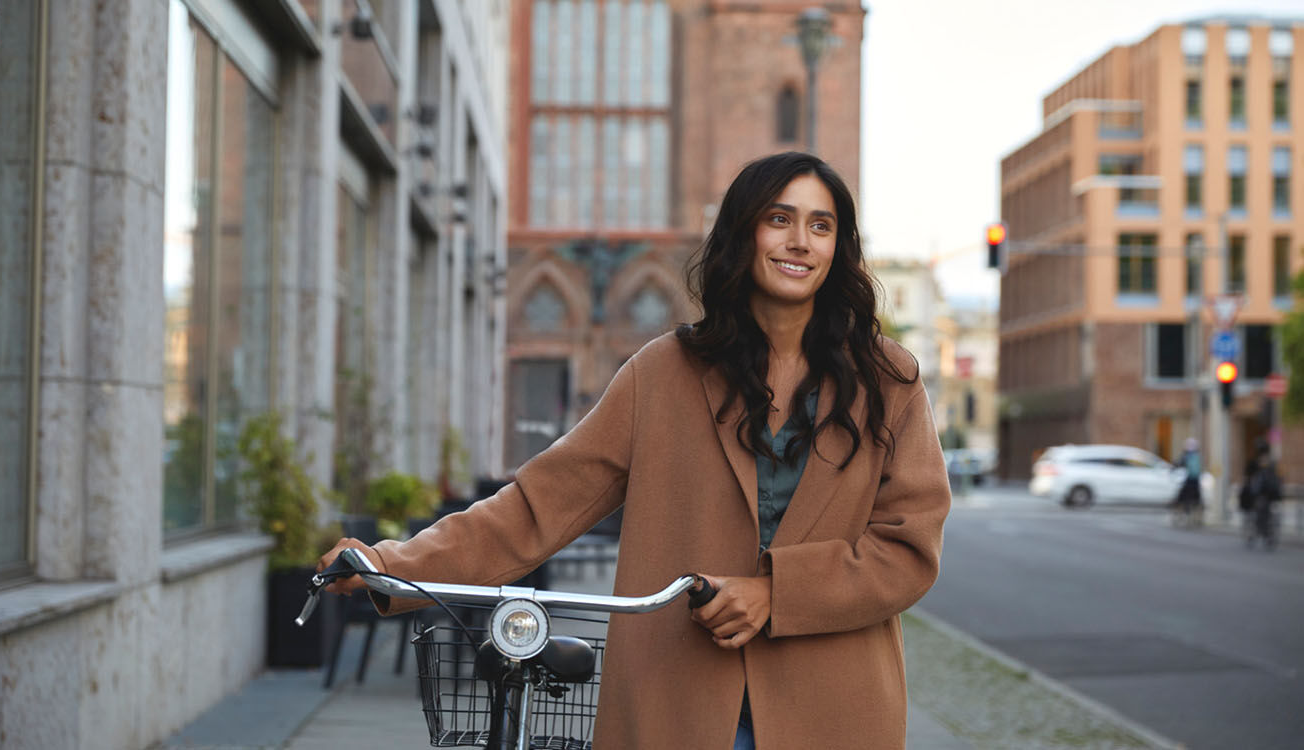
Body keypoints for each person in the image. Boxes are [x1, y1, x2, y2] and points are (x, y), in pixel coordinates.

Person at [318, 152, 951, 749]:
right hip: (677, 700)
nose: (799, 241)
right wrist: (392, 564)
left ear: (838, 248)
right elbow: (539, 505)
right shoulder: (664, 371)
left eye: (821, 225)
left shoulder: (889, 380)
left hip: (835, 705)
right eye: (778, 219)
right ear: (743, 235)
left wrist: (776, 593)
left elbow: (907, 547)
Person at [1240, 440, 1282, 549]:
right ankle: (1263, 534)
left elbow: (1247, 478)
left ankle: (1260, 533)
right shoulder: (1270, 463)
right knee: (1263, 514)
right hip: (1268, 495)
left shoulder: (1255, 463)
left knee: (1259, 514)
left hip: (1261, 495)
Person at [1173, 438, 1203, 524]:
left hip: (1189, 480)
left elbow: (1178, 464)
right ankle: (1196, 516)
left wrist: (1173, 469)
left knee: (1183, 498)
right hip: (1196, 481)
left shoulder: (1186, 456)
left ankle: (1186, 513)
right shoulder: (1198, 456)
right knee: (1196, 498)